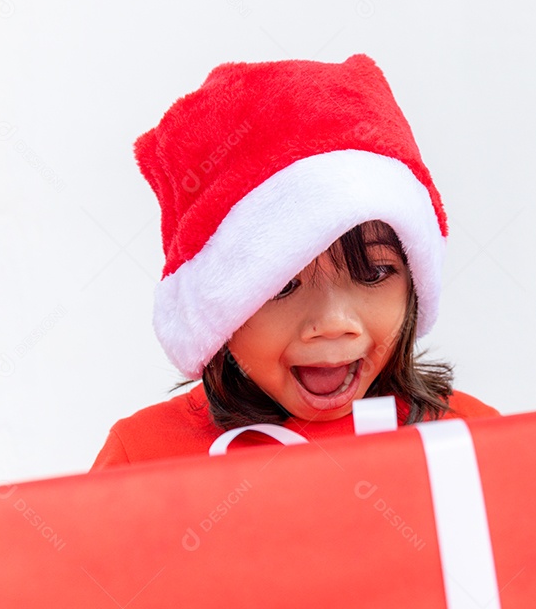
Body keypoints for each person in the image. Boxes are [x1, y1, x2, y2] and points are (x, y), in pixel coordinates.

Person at [90, 54, 499, 470]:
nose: (334, 321)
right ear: (220, 310)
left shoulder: (470, 438)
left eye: (373, 273)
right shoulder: (144, 457)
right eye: (282, 284)